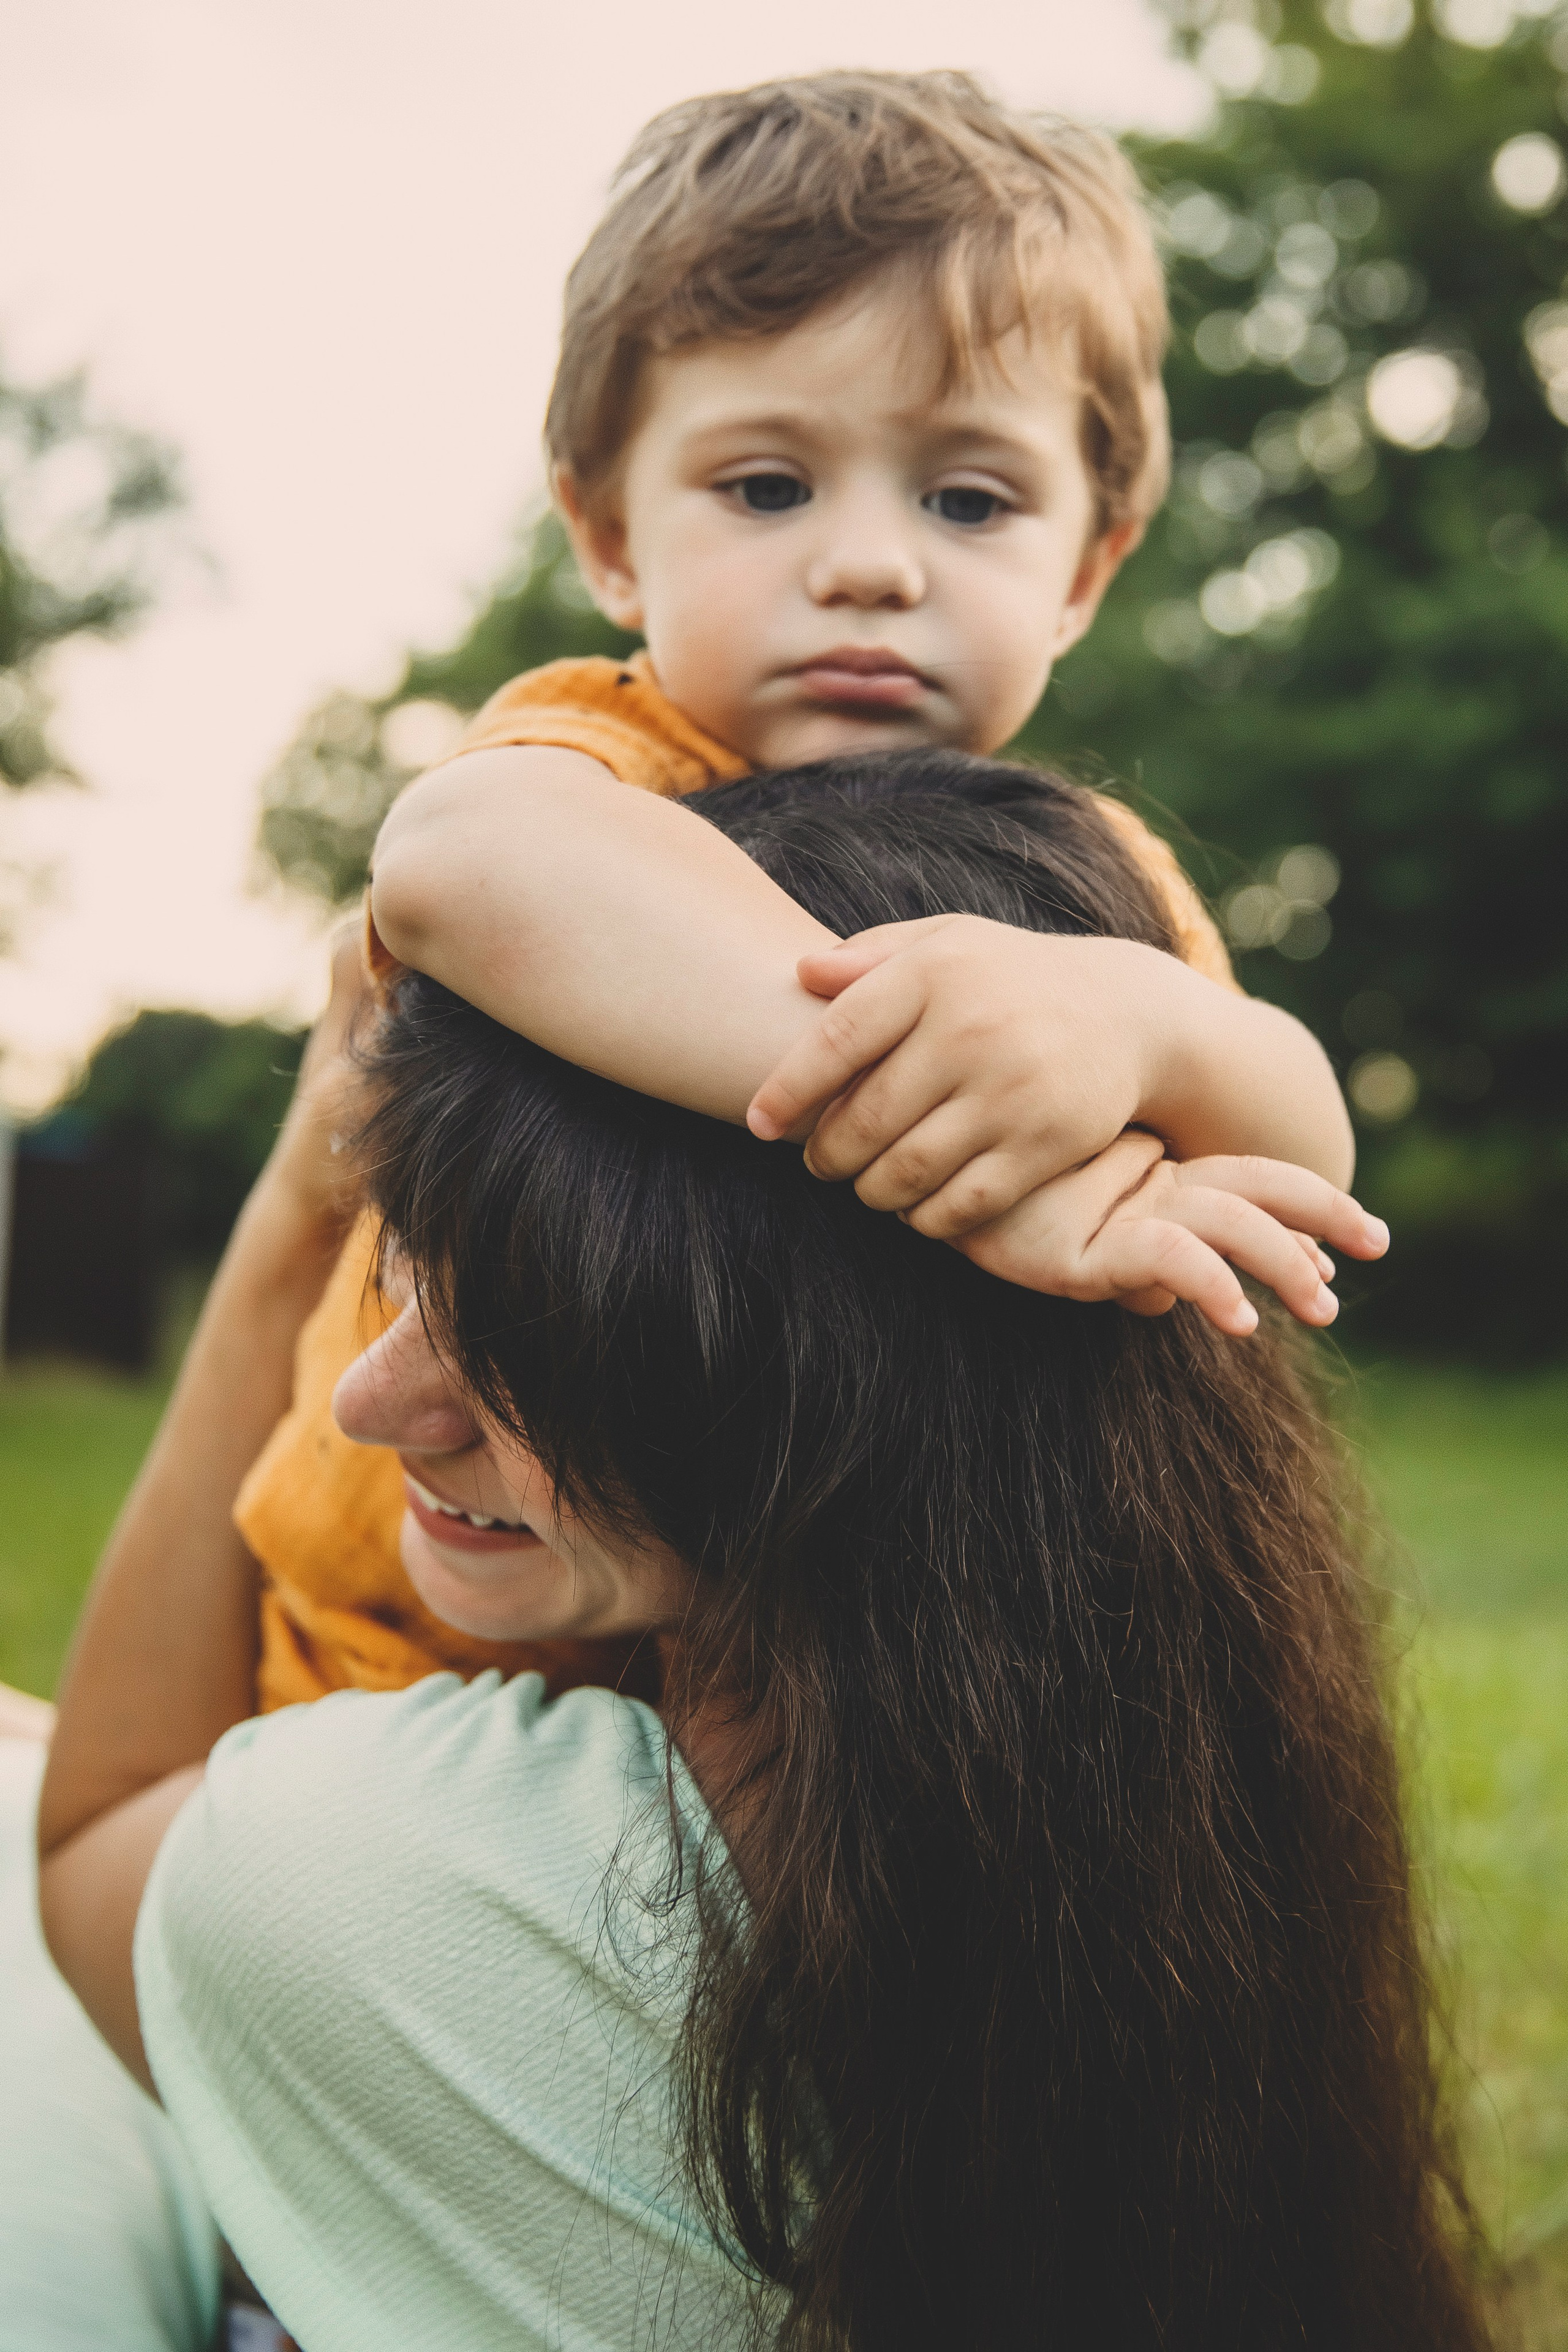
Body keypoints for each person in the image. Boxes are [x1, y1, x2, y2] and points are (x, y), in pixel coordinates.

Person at [34, 760, 1480, 2350]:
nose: (374, 1403)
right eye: (401, 1259)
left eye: (530, 1329)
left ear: (826, 1365)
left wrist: (285, 1223)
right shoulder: (1171, 1806)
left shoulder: (393, 1877)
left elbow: (93, 1829)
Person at [233, 67, 1368, 1721]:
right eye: (768, 488)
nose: (871, 563)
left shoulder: (1082, 886)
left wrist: (1137, 1029)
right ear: (611, 536)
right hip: (395, 1653)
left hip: (803, 1697)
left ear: (1089, 566)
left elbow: (1308, 1164)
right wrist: (948, 1132)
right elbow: (458, 865)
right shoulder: (607, 759)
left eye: (969, 499)